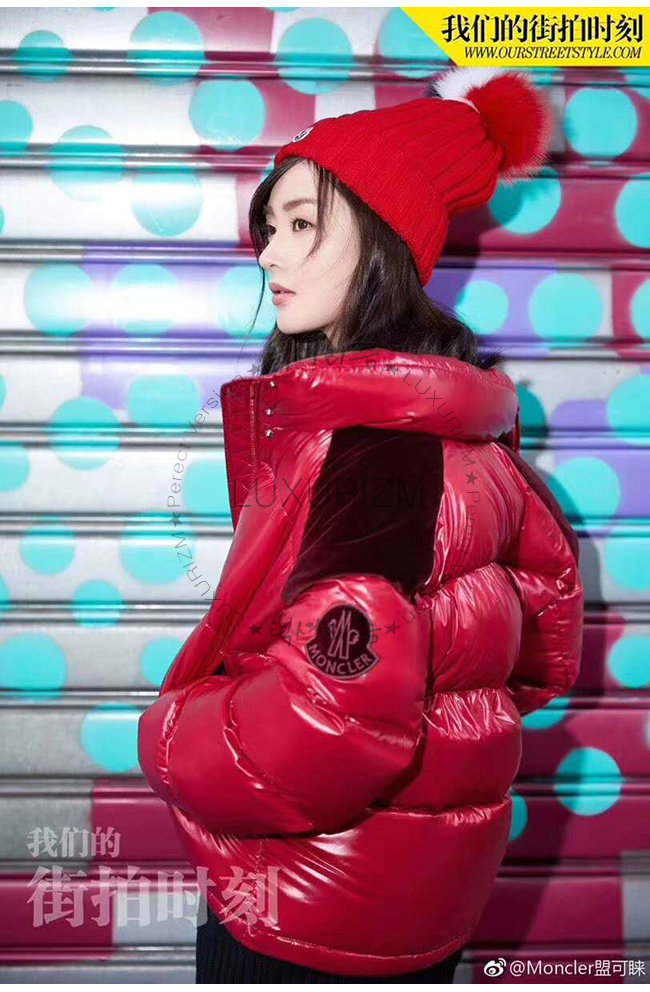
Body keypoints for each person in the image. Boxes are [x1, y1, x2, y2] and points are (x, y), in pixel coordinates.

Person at [138, 66, 584, 983]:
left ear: (384, 240)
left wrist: (171, 733)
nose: (270, 255)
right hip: (411, 903)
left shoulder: (378, 453)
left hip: (306, 916)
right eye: (270, 227)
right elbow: (538, 652)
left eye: (304, 223)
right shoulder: (465, 435)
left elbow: (330, 720)